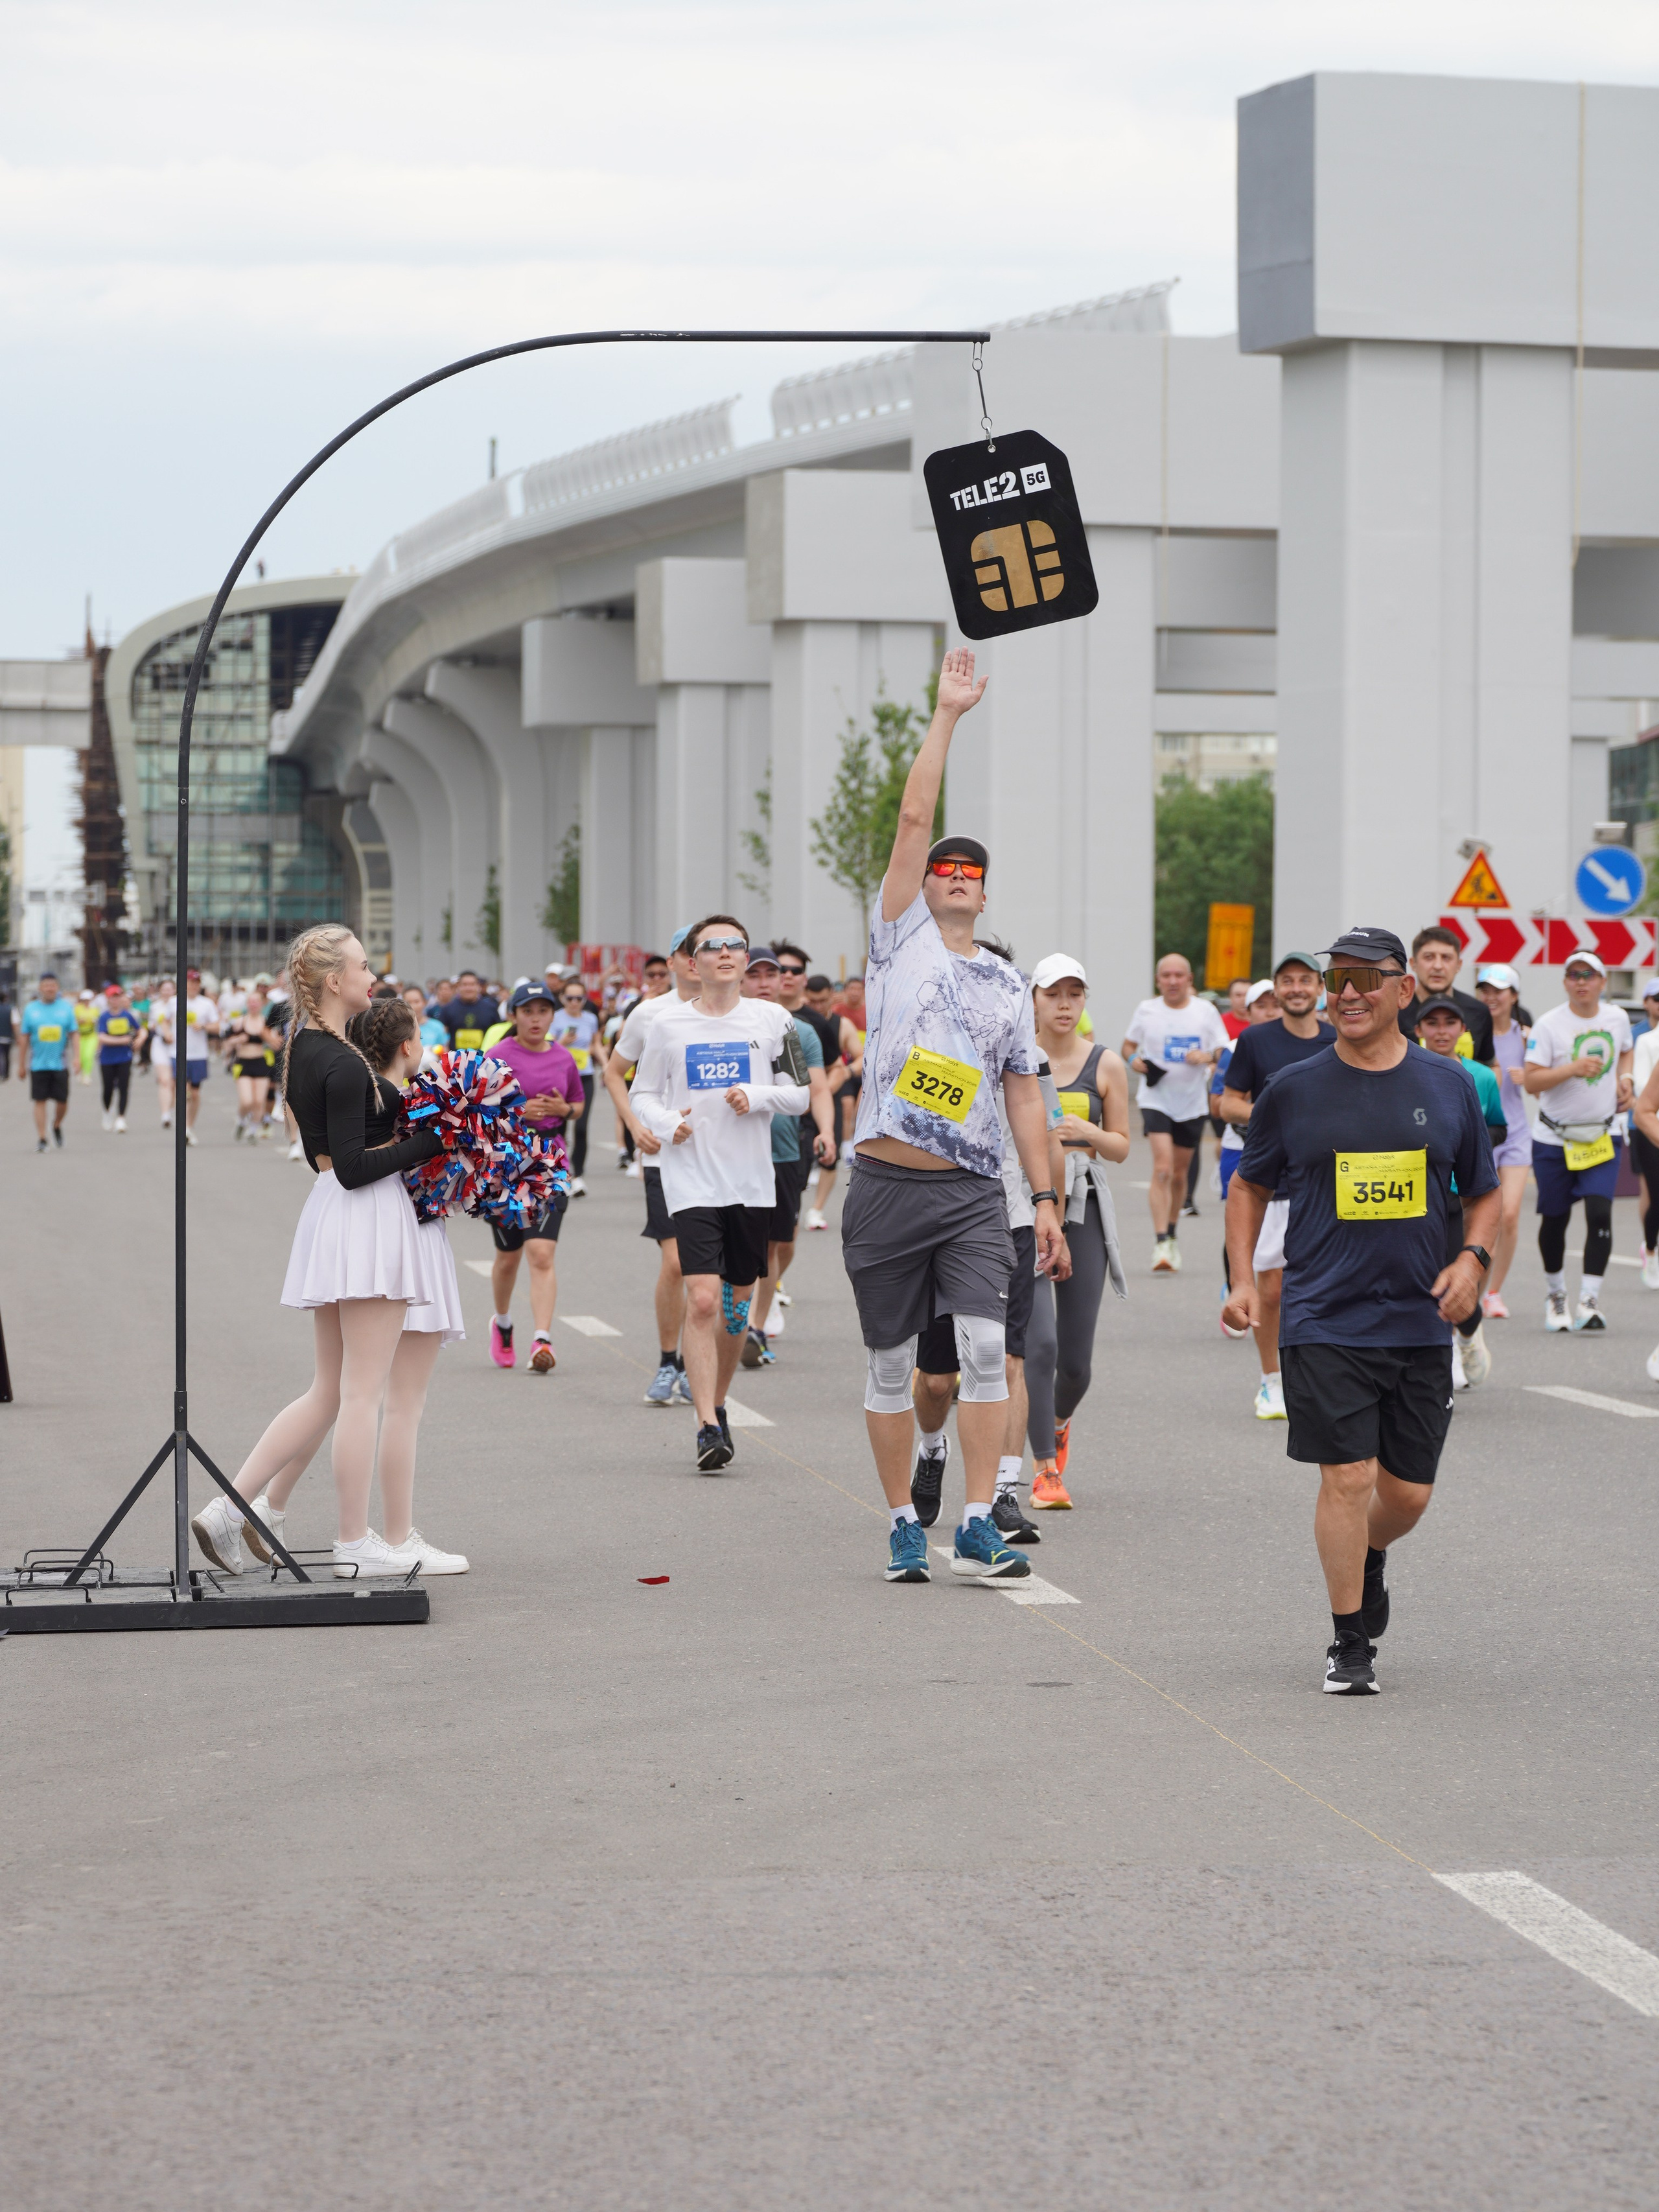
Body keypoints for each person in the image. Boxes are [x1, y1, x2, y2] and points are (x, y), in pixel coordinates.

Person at [1224, 926, 1500, 1695]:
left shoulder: (1447, 1086)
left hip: (1418, 1319)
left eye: (1364, 978)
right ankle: (1349, 1642)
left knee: (1406, 1493)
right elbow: (1248, 1184)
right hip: (1322, 1313)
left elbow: (1483, 1193)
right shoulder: (1294, 1090)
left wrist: (1472, 1262)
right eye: (1336, 976)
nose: (1346, 991)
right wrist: (1243, 1278)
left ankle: (1370, 1556)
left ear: (1404, 990)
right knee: (1346, 1476)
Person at [840, 647, 1063, 1585]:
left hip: (975, 1194)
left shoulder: (1008, 983)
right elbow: (914, 818)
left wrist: (1044, 1200)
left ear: (986, 889)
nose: (957, 873)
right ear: (922, 888)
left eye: (973, 870)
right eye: (944, 868)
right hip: (888, 1185)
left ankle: (976, 1519)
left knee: (982, 1349)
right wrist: (947, 717)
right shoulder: (898, 944)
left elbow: (1021, 1093)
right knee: (895, 1368)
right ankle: (901, 1520)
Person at [188, 925, 467, 1580]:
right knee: (360, 1393)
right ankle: (352, 1540)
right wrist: (430, 1143)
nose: (374, 977)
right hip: (363, 1214)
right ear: (334, 980)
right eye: (364, 967)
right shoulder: (340, 1061)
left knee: (332, 1390)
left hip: (339, 1216)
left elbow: (335, 1161)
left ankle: (234, 1507)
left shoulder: (312, 1047)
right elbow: (351, 1165)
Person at [628, 916, 809, 1471]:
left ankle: (721, 1402)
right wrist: (665, 1121)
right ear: (694, 961)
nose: (726, 953)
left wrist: (756, 1094)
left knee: (735, 1308)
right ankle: (706, 1423)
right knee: (703, 1297)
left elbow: (800, 1095)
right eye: (714, 946)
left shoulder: (775, 1021)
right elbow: (643, 1093)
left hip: (751, 1183)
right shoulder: (667, 1024)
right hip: (691, 1178)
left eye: (736, 945)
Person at [1021, 954, 1130, 1508]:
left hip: (1082, 1205)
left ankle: (1059, 1422)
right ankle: (1044, 1469)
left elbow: (1122, 1145)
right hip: (1025, 1202)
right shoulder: (1016, 1058)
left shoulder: (1105, 1064)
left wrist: (1088, 1130)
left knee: (1076, 1362)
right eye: (1053, 994)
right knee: (1038, 1342)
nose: (1064, 1005)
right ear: (1033, 999)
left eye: (1074, 994)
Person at [1216, 953, 1336, 1418]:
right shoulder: (1255, 1040)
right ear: (1277, 990)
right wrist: (1280, 1116)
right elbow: (1228, 1104)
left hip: (1330, 1180)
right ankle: (1272, 1380)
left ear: (1319, 987)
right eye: (1288, 981)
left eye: (1305, 980)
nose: (1297, 988)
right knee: (1271, 1288)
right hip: (1272, 1180)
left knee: (1330, 1285)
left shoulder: (1338, 1038)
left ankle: (1324, 1375)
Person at [603, 926, 701, 1404]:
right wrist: (637, 1126)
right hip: (665, 1154)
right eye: (688, 953)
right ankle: (670, 1362)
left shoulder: (742, 1014)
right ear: (676, 960)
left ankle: (708, 1359)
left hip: (724, 1158)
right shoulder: (651, 1013)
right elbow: (613, 1073)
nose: (696, 961)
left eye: (706, 952)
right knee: (677, 1260)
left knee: (723, 1273)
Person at [1522, 951, 1634, 1334]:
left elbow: (1626, 1051)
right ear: (1565, 981)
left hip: (1603, 1135)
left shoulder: (1617, 1018)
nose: (1581, 981)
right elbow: (1532, 1081)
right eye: (1573, 975)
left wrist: (1627, 1080)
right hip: (1554, 1138)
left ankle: (1589, 1301)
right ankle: (1556, 1295)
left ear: (1603, 981)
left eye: (1589, 975)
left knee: (1600, 1213)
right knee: (1555, 1219)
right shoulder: (1549, 1025)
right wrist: (1571, 1069)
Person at [739, 946, 838, 1365]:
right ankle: (742, 1320)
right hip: (733, 1150)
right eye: (754, 974)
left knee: (780, 1241)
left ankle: (757, 1324)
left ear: (782, 982)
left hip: (783, 1150)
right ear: (741, 980)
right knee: (741, 1241)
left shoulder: (798, 1031)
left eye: (771, 975)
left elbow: (816, 1087)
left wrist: (828, 1131)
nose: (763, 982)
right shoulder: (719, 1027)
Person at [480, 981, 583, 1373]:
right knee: (509, 1257)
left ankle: (542, 1338)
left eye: (543, 1011)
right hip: (506, 1163)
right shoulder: (498, 1056)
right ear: (514, 1015)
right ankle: (503, 1323)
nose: (536, 1019)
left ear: (553, 1015)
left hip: (551, 1160)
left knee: (542, 1253)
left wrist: (565, 1110)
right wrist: (517, 1114)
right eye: (528, 1011)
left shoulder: (564, 1057)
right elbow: (476, 1109)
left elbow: (576, 1103)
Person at [1413, 995, 1508, 1387]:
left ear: (1463, 1030)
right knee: (1425, 1281)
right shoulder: (1408, 1072)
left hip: (1460, 1193)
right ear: (1418, 1030)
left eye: (1449, 1023)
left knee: (1459, 1279)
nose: (1441, 1031)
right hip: (1418, 1192)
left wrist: (1464, 1141)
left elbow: (1500, 1127)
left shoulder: (1481, 1077)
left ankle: (1468, 1333)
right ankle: (1444, 1353)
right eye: (1431, 1023)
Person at [1122, 953, 1229, 1271]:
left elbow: (1223, 1051)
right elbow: (1127, 1046)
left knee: (1180, 1175)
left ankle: (1171, 1234)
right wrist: (1134, 1063)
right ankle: (1159, 1245)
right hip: (1156, 1098)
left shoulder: (1205, 1011)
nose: (1172, 981)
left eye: (1178, 975)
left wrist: (1207, 1055)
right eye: (1166, 975)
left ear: (1189, 979)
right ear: (1158, 980)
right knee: (1164, 1168)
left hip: (1192, 1102)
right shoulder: (1147, 1010)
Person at [1472, 962, 1535, 1317]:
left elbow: (1543, 1086)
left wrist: (1532, 1076)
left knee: (1509, 1214)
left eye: (1499, 991)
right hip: (1481, 1133)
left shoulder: (1526, 1035)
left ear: (1513, 996)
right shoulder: (1472, 1032)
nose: (1491, 997)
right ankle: (1474, 1290)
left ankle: (1493, 1292)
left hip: (1516, 1134)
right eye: (1486, 990)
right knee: (1481, 1218)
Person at [801, 975, 863, 1229]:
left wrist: (845, 1073)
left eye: (823, 1001)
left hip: (831, 1090)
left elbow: (860, 1058)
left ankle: (817, 1209)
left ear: (832, 996)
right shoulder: (795, 1019)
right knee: (799, 1155)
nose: (817, 1007)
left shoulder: (842, 1024)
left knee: (830, 1152)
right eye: (812, 1001)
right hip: (798, 1095)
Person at [1398, 926, 1495, 1064]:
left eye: (1446, 958)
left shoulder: (1479, 1011)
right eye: (1429, 957)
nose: (1438, 966)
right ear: (1413, 964)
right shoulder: (1394, 1012)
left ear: (1458, 965)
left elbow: (1490, 1066)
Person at [551, 978, 603, 1193]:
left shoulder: (591, 1019)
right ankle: (559, 1173)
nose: (574, 1003)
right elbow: (548, 1046)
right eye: (569, 998)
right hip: (561, 1077)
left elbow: (595, 1044)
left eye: (579, 998)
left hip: (584, 1076)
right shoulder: (555, 1018)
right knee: (560, 1128)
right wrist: (563, 1043)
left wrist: (607, 1064)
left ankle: (579, 1174)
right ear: (563, 998)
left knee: (581, 1128)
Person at [19, 971, 74, 1151]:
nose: (50, 989)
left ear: (57, 988)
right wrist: (21, 1064)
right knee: (39, 1100)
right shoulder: (31, 1009)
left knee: (62, 1101)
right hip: (38, 1064)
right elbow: (24, 1038)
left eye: (53, 985)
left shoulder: (66, 1008)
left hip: (60, 1063)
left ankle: (57, 1124)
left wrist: (79, 1058)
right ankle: (42, 1138)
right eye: (46, 986)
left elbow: (74, 1033)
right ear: (40, 988)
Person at [222, 983, 277, 1141]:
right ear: (247, 1004)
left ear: (261, 1004)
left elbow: (274, 1041)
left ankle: (253, 1130)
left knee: (259, 1101)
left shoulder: (266, 1023)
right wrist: (238, 1040)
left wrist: (272, 1040)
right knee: (247, 1100)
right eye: (251, 1002)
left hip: (261, 1062)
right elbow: (226, 1041)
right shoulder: (239, 1022)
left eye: (256, 1002)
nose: (253, 1005)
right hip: (243, 1063)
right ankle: (241, 1120)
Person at [96, 984, 140, 1131]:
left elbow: (140, 1030)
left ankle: (121, 1118)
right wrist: (123, 1040)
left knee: (124, 1087)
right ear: (108, 1000)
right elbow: (102, 1037)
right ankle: (107, 1111)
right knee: (108, 1088)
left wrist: (138, 1041)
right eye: (113, 998)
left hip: (124, 1057)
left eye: (118, 997)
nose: (116, 1000)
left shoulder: (127, 1016)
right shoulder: (104, 1017)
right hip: (107, 1058)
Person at [435, 970, 501, 1051]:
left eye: (472, 984)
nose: (468, 988)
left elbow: (498, 1032)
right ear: (458, 987)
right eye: (465, 985)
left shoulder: (491, 1008)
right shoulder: (448, 1009)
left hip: (485, 1059)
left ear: (478, 986)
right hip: (455, 1060)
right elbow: (441, 1035)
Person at [75, 989, 99, 1086]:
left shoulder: (95, 1009)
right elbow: (73, 1022)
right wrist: (79, 1022)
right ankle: (80, 1072)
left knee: (88, 1055)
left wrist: (93, 1021)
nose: (86, 1002)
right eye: (84, 1000)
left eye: (88, 1000)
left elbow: (97, 1020)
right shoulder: (77, 1009)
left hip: (91, 1035)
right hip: (80, 1035)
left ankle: (87, 1075)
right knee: (81, 1056)